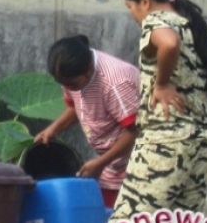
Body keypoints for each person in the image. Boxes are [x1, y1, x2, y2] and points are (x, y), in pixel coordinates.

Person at [112, 0, 207, 220]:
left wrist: (160, 85)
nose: (132, 14)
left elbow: (169, 43)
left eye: (130, 7)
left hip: (167, 140)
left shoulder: (157, 21)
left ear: (144, 1)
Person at [35, 35, 139, 208]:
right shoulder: (70, 75)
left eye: (72, 84)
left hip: (138, 161)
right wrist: (53, 130)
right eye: (62, 83)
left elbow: (135, 131)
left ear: (89, 69)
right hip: (112, 163)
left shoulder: (114, 83)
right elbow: (77, 106)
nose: (67, 88)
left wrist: (100, 163)